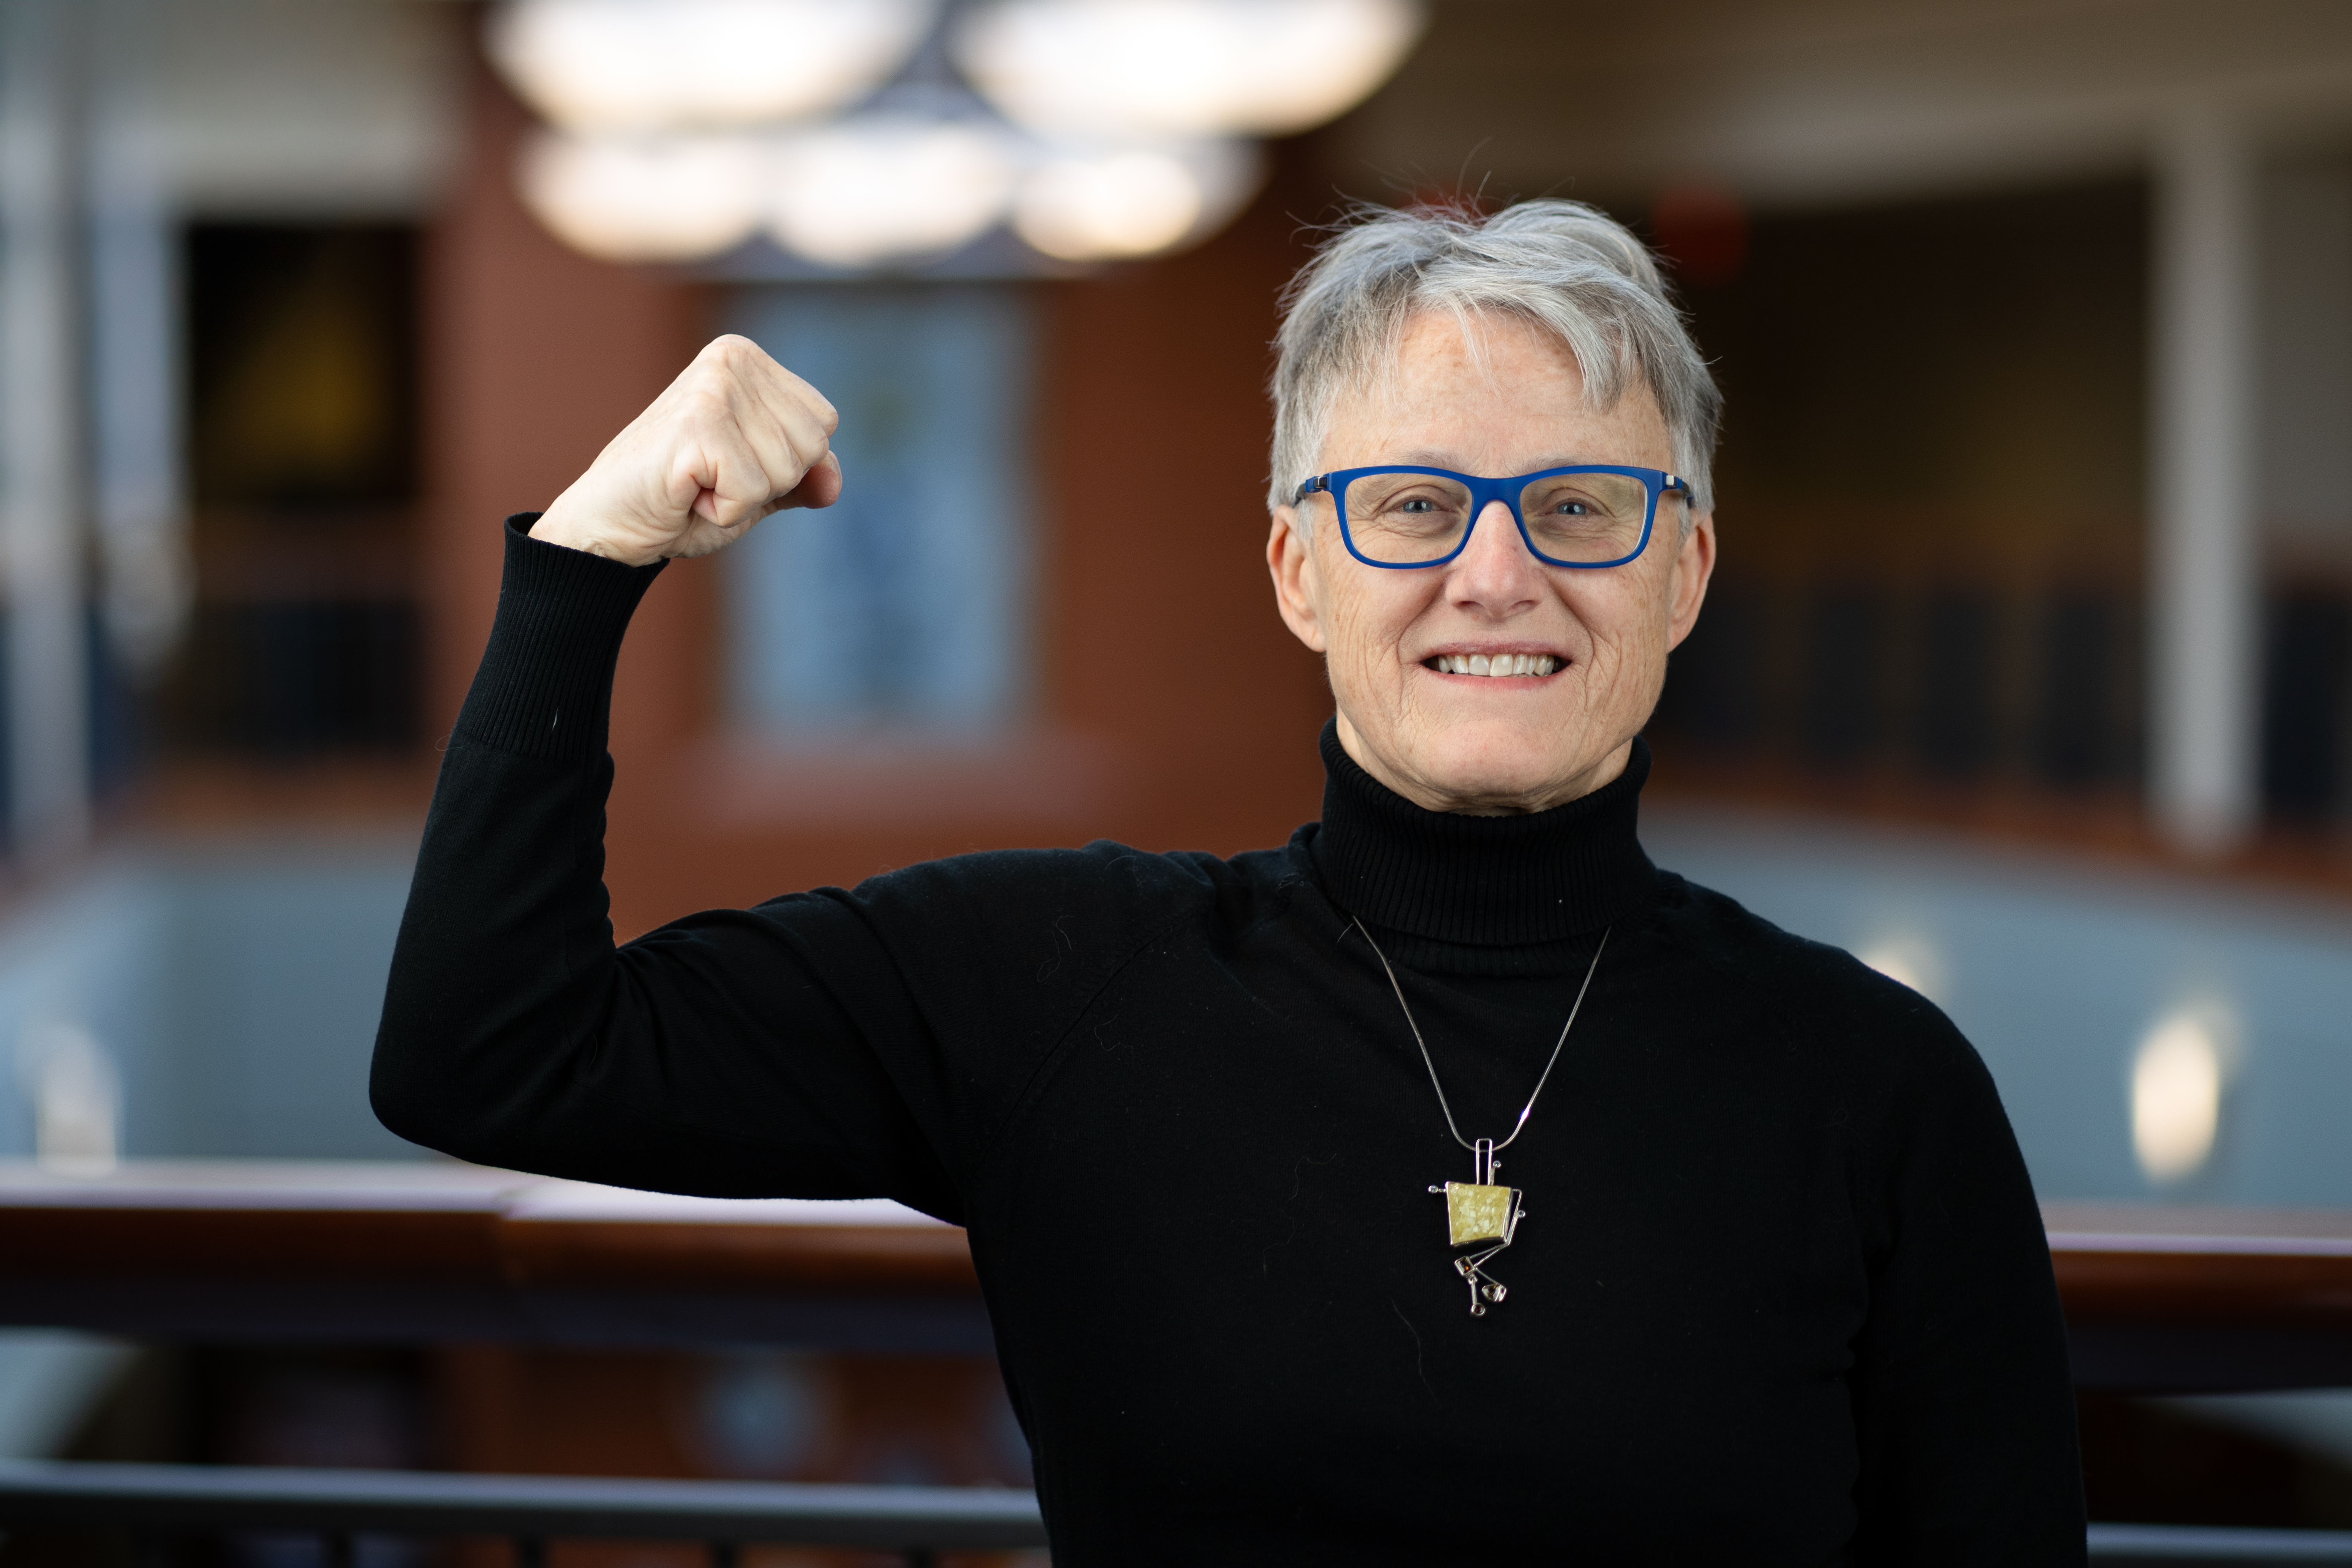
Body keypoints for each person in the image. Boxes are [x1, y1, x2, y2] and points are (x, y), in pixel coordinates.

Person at [372, 200, 2084, 1564]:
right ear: (1296, 569)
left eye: (1580, 505)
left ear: (1686, 569)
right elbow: (492, 1046)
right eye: (1414, 504)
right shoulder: (1060, 982)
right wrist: (592, 551)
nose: (1499, 573)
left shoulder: (1879, 1087)